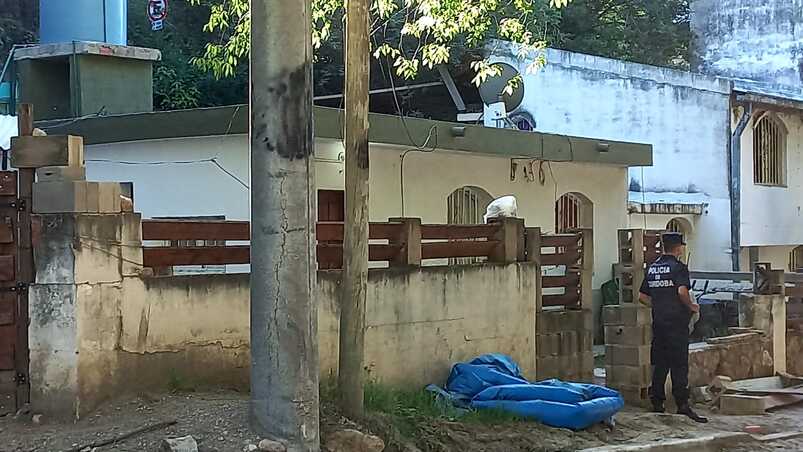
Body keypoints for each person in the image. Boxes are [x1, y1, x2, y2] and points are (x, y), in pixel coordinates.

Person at [639, 232, 708, 423]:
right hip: (677, 324)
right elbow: (682, 291)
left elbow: (642, 297)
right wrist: (691, 306)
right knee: (679, 365)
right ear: (678, 248)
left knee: (660, 364)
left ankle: (657, 403)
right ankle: (682, 406)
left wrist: (659, 305)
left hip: (659, 323)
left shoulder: (652, 268)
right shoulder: (679, 268)